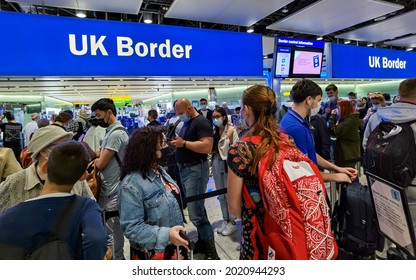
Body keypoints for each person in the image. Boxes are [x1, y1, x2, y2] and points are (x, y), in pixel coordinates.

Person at [0, 141, 108, 259]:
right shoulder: (86, 207)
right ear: (83, 176)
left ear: (45, 166)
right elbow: (96, 239)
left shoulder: (11, 215)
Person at [362, 78, 416, 259]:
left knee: (386, 229)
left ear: (400, 95)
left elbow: (366, 146)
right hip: (412, 188)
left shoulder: (377, 116)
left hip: (381, 184)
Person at [118, 127, 189, 260]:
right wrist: (166, 235)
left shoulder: (159, 170)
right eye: (160, 147)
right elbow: (131, 227)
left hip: (174, 245)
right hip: (153, 252)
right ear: (147, 152)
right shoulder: (131, 185)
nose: (164, 149)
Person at [0, 125, 95, 212]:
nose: (68, 150)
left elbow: (91, 207)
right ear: (43, 151)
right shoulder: (17, 181)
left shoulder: (73, 175)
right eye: (62, 145)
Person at [280, 79, 357, 183]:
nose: (318, 105)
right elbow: (302, 172)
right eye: (318, 100)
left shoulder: (297, 120)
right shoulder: (295, 128)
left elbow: (311, 152)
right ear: (309, 100)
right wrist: (336, 177)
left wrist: (337, 169)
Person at [170, 98, 220, 260]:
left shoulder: (201, 122)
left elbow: (207, 146)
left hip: (196, 170)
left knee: (196, 213)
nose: (179, 116)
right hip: (187, 170)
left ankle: (212, 252)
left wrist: (183, 143)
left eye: (180, 113)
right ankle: (203, 242)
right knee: (197, 209)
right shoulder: (188, 122)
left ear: (189, 108)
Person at [91, 98, 129, 260]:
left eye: (99, 115)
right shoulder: (114, 132)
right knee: (116, 228)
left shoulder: (115, 134)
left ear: (109, 112)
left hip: (111, 189)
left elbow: (101, 162)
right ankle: (119, 258)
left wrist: (96, 160)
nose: (98, 119)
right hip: (114, 186)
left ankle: (115, 260)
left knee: (109, 230)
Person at [211, 107, 238, 236]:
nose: (216, 119)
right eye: (214, 117)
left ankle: (232, 221)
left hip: (228, 163)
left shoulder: (232, 130)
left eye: (218, 116)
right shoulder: (213, 131)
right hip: (216, 162)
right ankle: (225, 219)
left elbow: (237, 148)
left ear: (223, 116)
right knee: (220, 194)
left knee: (229, 193)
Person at [328, 100, 361, 168]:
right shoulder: (349, 119)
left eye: (339, 108)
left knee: (349, 174)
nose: (338, 110)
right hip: (347, 153)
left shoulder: (348, 121)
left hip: (347, 155)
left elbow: (335, 131)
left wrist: (332, 117)